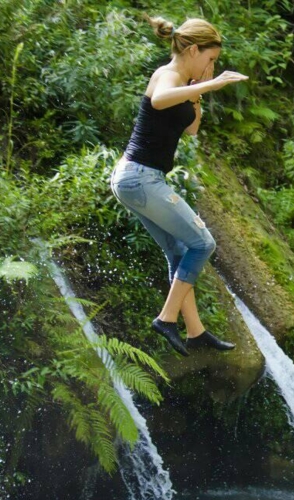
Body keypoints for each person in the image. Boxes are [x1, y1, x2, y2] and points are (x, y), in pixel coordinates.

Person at [110, 14, 248, 357]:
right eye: (210, 59)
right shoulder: (169, 74)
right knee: (203, 243)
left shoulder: (185, 81)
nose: (212, 66)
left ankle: (195, 330)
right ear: (195, 49)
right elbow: (159, 100)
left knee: (178, 251)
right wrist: (208, 85)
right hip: (140, 177)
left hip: (138, 178)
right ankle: (167, 318)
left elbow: (191, 129)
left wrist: (201, 87)